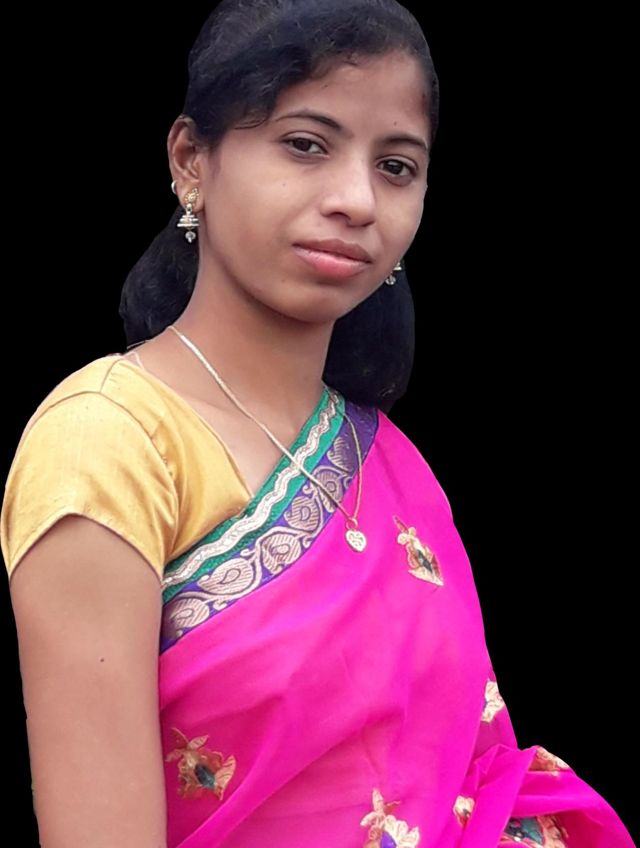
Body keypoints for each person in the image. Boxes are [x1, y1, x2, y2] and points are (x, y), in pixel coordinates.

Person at [0, 1, 634, 846]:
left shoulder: (392, 461)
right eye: (305, 145)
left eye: (397, 166)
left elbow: (474, 782)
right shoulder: (111, 443)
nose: (356, 200)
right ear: (191, 161)